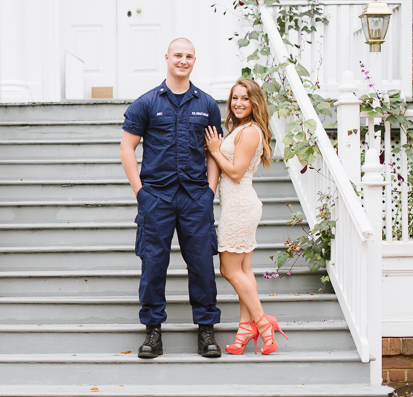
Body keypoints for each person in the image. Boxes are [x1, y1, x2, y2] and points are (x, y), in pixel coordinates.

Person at [120, 37, 223, 359]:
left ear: (195, 60)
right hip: (157, 197)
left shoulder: (206, 105)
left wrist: (210, 191)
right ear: (167, 57)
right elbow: (127, 148)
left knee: (202, 265)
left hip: (195, 197)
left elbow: (213, 152)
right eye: (178, 55)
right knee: (153, 264)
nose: (183, 60)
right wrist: (140, 191)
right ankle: (153, 331)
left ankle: (206, 330)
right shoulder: (147, 103)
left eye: (189, 56)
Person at [204, 78, 289, 355]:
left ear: (255, 103)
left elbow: (237, 172)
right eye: (235, 98)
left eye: (245, 99)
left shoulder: (250, 131)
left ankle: (264, 324)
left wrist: (215, 151)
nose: (238, 103)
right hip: (238, 204)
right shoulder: (239, 129)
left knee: (229, 270)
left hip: (240, 206)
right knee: (243, 270)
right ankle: (244, 329)